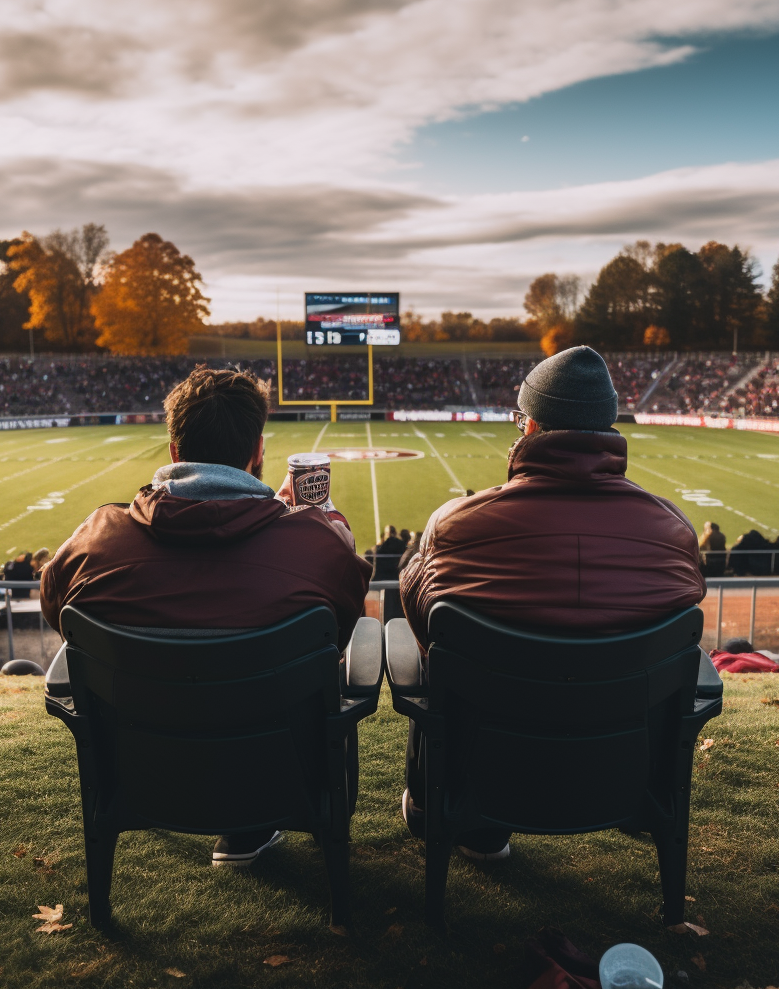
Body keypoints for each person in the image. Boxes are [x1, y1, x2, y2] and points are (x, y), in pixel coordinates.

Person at [41, 365, 371, 866]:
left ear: (174, 451)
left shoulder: (97, 540)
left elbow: (56, 610)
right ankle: (251, 827)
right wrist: (319, 533)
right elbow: (342, 630)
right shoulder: (315, 547)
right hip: (274, 768)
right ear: (258, 451)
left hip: (142, 767)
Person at [399, 346, 705, 861]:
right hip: (625, 776)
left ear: (531, 425)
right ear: (607, 427)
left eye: (520, 420)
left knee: (437, 667)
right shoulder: (674, 533)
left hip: (485, 773)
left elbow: (423, 625)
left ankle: (478, 831)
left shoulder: (455, 526)